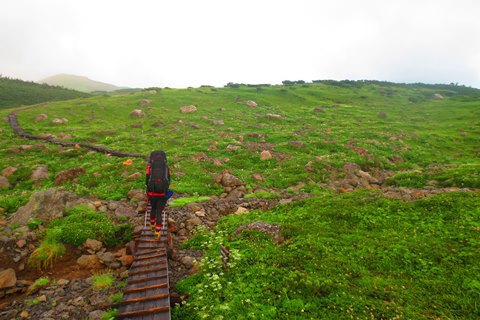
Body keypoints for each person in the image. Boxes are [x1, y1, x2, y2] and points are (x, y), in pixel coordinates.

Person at [145, 150, 173, 236]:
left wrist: (149, 189)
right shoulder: (166, 168)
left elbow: (146, 180)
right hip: (162, 193)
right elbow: (168, 180)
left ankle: (152, 225)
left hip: (152, 193)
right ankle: (157, 231)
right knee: (159, 212)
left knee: (153, 208)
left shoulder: (150, 167)